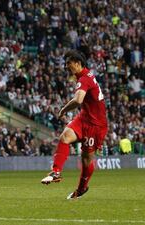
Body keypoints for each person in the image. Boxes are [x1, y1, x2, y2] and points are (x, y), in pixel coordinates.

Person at [41, 50, 108, 199]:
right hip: (84, 117)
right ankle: (56, 171)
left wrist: (63, 109)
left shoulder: (84, 79)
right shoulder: (85, 76)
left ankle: (82, 188)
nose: (66, 67)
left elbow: (78, 100)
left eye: (69, 64)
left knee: (86, 159)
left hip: (95, 124)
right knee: (64, 137)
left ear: (78, 64)